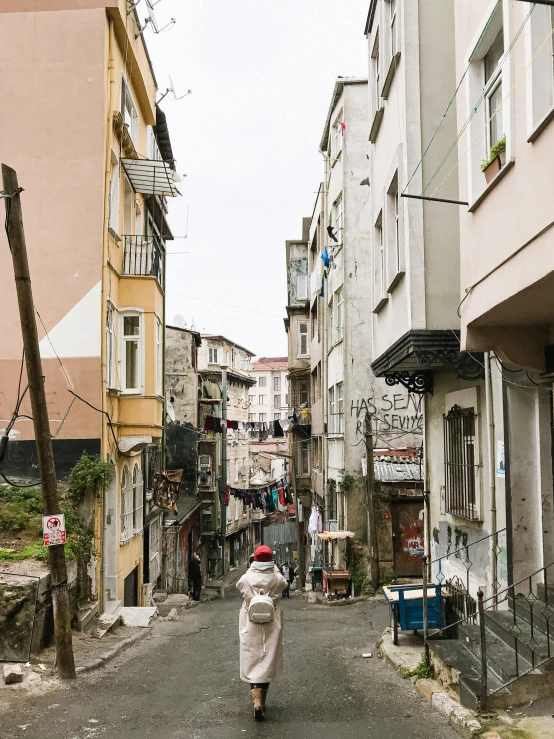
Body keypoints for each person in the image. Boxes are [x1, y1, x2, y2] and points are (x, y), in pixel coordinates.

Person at [236, 545, 287, 721]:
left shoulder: (246, 578)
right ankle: (263, 700)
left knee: (252, 657)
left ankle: (256, 700)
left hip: (250, 622)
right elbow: (283, 583)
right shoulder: (277, 578)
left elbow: (241, 587)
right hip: (271, 621)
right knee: (267, 657)